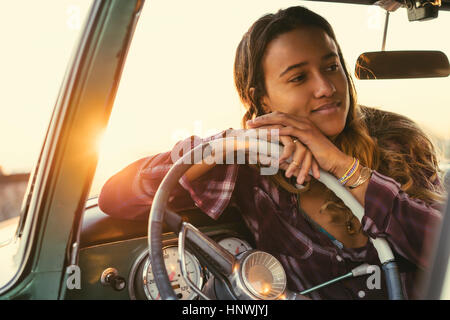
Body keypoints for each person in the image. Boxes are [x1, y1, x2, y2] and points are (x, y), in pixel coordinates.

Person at [98, 6, 446, 299]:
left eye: (331, 66)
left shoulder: (396, 140)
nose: (326, 88)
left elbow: (443, 254)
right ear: (261, 97)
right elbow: (117, 196)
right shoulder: (249, 165)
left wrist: (341, 166)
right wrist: (224, 147)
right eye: (298, 78)